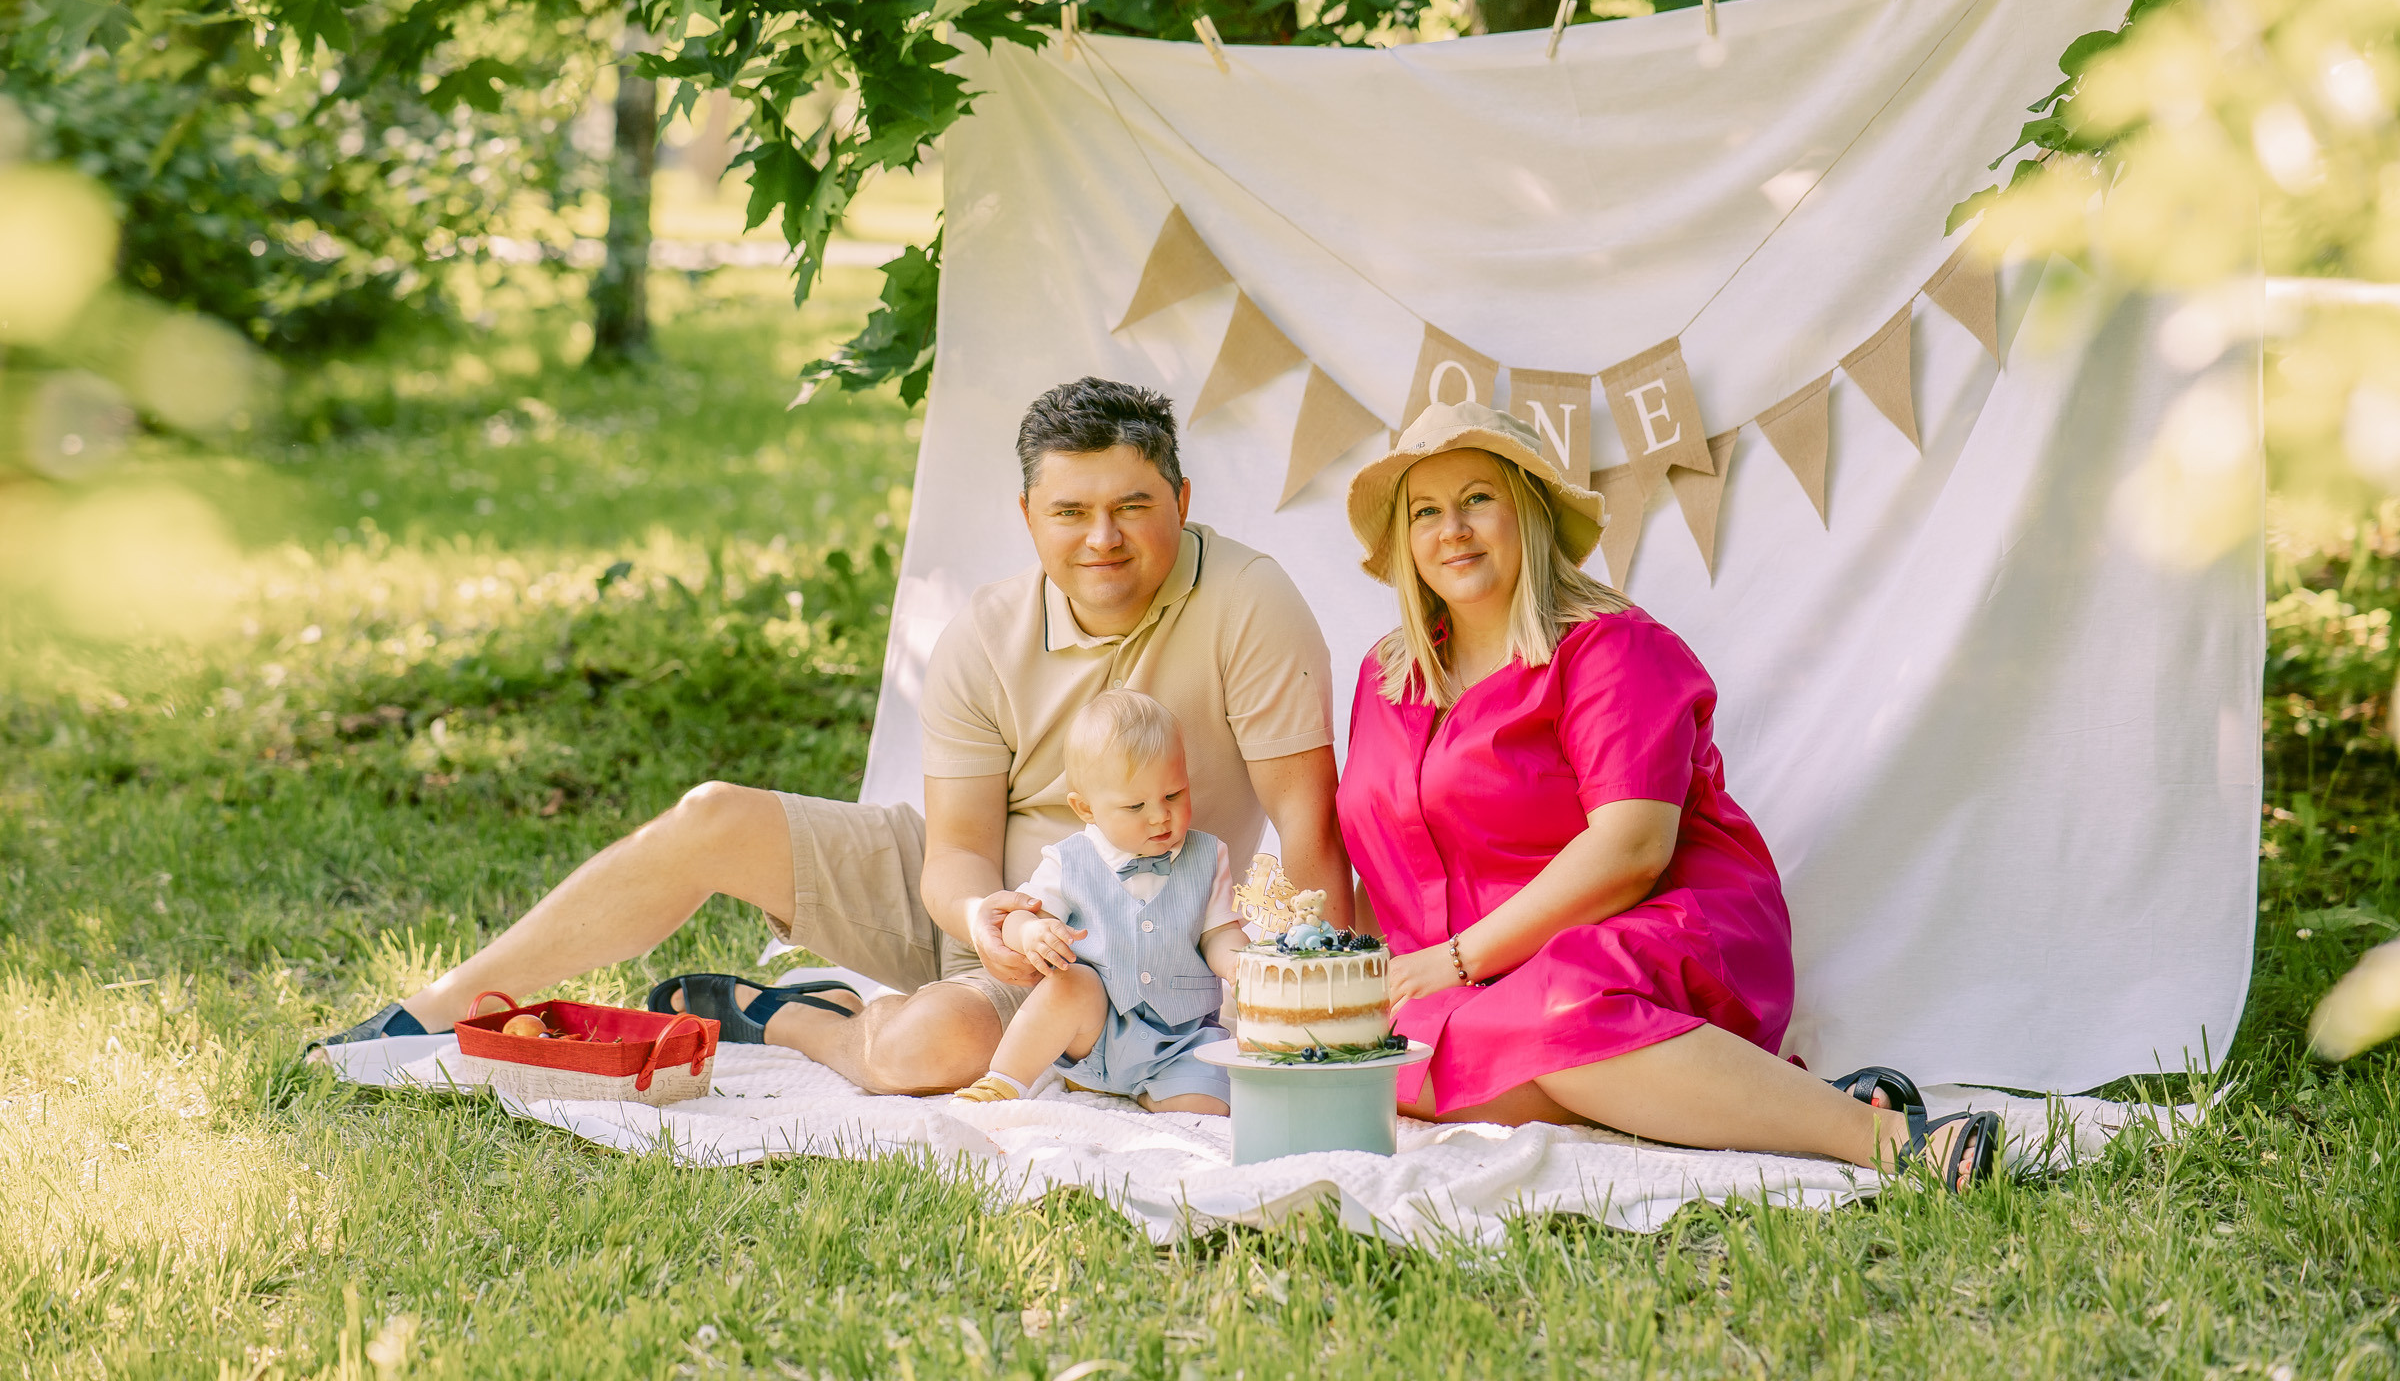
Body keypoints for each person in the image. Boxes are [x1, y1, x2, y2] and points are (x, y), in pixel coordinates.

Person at [310, 378, 1348, 1096]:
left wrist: (1305, 1018)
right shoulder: (988, 631)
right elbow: (952, 853)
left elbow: (1308, 828)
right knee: (712, 815)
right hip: (987, 898)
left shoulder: (1251, 603)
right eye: (1070, 509)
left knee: (920, 1052)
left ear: (1184, 500)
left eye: (1133, 504)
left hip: (1130, 931)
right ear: (1029, 514)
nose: (1102, 538)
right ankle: (447, 1006)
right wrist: (980, 912)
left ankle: (795, 1016)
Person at [1335, 399, 2001, 1190]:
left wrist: (1452, 961)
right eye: (1426, 511)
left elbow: (1631, 850)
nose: (1454, 528)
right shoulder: (1387, 680)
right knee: (1382, 1063)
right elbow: (1388, 860)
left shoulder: (1613, 647)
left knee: (1562, 1006)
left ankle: (1888, 1139)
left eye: (1479, 498)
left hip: (1661, 933)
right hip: (1480, 981)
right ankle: (1743, 1096)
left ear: (1530, 512)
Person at [952, 690, 1242, 1112]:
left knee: (1214, 1101)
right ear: (1085, 808)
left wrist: (1239, 964)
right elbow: (1019, 916)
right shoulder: (1068, 860)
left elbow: (1218, 933)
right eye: (1135, 805)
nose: (1160, 815)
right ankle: (1004, 1082)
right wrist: (1031, 931)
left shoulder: (1208, 854)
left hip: (1180, 1037)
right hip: (1095, 1033)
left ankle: (1154, 1094)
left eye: (1174, 795)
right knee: (1071, 984)